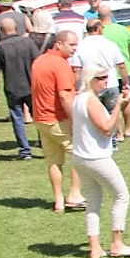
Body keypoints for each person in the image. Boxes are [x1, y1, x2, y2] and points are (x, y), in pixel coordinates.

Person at [69, 64, 130, 258]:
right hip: (95, 157)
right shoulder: (91, 101)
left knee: (93, 200)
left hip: (80, 157)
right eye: (101, 78)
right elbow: (106, 128)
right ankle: (117, 243)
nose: (105, 81)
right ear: (90, 79)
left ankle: (95, 247)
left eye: (107, 77)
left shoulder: (78, 99)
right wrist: (118, 107)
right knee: (121, 195)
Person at [32, 31, 84, 212]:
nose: (75, 49)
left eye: (76, 45)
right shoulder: (60, 64)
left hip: (40, 119)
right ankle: (74, 195)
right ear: (59, 44)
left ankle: (58, 201)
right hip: (57, 119)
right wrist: (75, 119)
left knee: (53, 160)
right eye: (72, 45)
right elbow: (64, 96)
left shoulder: (38, 61)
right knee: (80, 154)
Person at [0, 14, 39, 159]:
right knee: (37, 115)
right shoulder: (28, 42)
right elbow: (37, 61)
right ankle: (43, 140)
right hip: (30, 84)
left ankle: (24, 151)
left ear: (2, 30)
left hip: (12, 87)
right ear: (16, 28)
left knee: (17, 118)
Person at [71, 20, 130, 139]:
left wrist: (78, 86)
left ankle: (97, 136)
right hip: (111, 83)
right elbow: (121, 65)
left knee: (93, 113)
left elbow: (76, 70)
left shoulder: (80, 46)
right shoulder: (110, 44)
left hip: (90, 85)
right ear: (99, 28)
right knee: (113, 112)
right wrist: (125, 83)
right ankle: (115, 137)